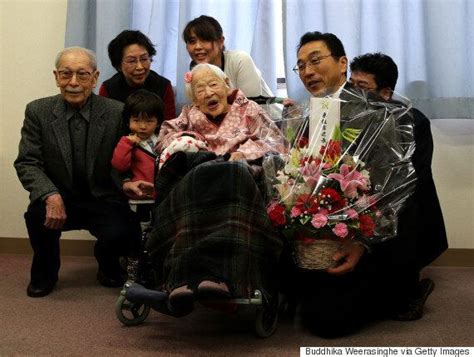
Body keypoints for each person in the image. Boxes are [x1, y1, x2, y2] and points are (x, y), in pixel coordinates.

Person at [290, 31, 416, 337]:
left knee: (327, 324)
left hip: (364, 237)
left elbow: (394, 185)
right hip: (318, 234)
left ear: (342, 62)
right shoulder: (307, 114)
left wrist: (362, 242)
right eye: (301, 65)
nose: (308, 71)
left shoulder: (375, 111)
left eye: (315, 60)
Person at [144, 63, 287, 315]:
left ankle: (219, 277)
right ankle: (183, 280)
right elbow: (164, 141)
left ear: (227, 86)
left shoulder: (249, 110)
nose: (209, 92)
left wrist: (243, 152)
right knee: (200, 170)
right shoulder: (187, 115)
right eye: (200, 88)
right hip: (197, 183)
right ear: (193, 98)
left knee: (232, 173)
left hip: (240, 180)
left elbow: (278, 145)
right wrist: (188, 140)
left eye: (213, 84)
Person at [14, 47, 141, 298]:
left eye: (82, 75)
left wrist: (127, 183)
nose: (73, 83)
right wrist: (50, 194)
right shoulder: (38, 111)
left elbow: (124, 161)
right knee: (37, 217)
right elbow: (27, 162)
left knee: (124, 230)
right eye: (66, 74)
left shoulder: (116, 112)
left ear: (94, 78)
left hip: (102, 196)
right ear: (56, 76)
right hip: (58, 195)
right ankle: (45, 273)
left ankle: (106, 263)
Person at [349, 52, 448, 320]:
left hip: (402, 205)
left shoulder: (413, 121)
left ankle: (413, 289)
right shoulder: (348, 119)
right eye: (351, 84)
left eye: (362, 88)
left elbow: (414, 178)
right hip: (360, 203)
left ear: (385, 93)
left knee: (402, 207)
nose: (353, 93)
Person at [182, 15, 274, 98]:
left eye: (205, 40)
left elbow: (250, 108)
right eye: (192, 41)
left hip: (269, 115)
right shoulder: (195, 70)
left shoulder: (240, 60)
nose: (197, 47)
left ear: (220, 42)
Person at [99, 30, 176, 121]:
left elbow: (169, 126)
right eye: (131, 61)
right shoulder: (108, 89)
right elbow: (104, 125)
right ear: (118, 65)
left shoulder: (164, 86)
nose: (140, 67)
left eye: (144, 59)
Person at [112, 89, 164, 199]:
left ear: (158, 122)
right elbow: (119, 165)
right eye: (136, 120)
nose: (143, 126)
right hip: (140, 195)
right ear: (127, 121)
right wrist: (127, 143)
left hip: (162, 194)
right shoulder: (126, 142)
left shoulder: (163, 140)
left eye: (149, 121)